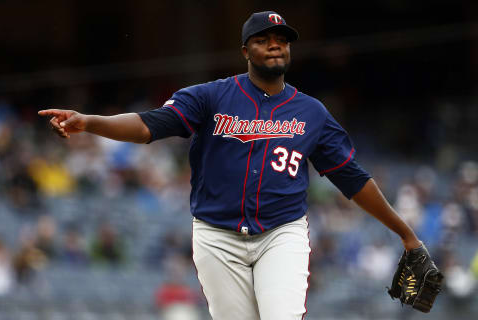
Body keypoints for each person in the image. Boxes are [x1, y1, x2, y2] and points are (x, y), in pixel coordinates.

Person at [39, 11, 427, 320]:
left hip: (281, 233)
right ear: (245, 50)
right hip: (217, 235)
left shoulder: (312, 112)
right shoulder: (211, 96)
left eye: (282, 41)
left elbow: (352, 178)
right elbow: (148, 126)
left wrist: (406, 234)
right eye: (264, 40)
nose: (275, 46)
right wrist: (90, 122)